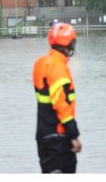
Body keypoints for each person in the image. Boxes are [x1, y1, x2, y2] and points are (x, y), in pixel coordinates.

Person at [33, 23, 82, 173]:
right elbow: (61, 105)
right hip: (59, 139)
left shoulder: (41, 63)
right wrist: (73, 135)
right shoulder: (58, 68)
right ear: (69, 44)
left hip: (44, 136)